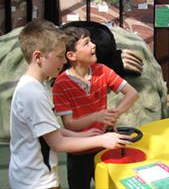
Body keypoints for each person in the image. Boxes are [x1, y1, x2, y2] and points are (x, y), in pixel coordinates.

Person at [9, 19, 133, 189]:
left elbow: (47, 131)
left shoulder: (33, 87)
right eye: (59, 56)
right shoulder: (33, 93)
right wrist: (102, 140)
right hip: (36, 181)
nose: (62, 62)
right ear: (38, 57)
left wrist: (84, 135)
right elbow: (58, 143)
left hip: (32, 176)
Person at [52, 26, 139, 189]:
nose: (93, 45)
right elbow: (69, 124)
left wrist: (114, 114)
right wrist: (96, 117)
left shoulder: (103, 70)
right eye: (86, 43)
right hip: (78, 151)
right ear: (71, 55)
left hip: (105, 148)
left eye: (91, 41)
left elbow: (132, 94)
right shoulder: (61, 84)